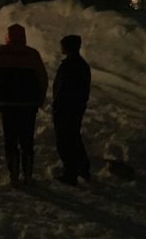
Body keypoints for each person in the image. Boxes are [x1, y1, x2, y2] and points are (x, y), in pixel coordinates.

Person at [0, 23, 48, 186]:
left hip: (7, 104)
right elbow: (42, 78)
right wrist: (40, 99)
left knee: (10, 139)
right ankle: (28, 174)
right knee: (27, 139)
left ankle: (13, 174)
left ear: (8, 36)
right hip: (28, 104)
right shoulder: (32, 54)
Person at [52, 35, 91, 186]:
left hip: (66, 108)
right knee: (74, 137)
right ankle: (83, 168)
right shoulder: (81, 65)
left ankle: (71, 172)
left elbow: (63, 89)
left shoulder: (70, 65)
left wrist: (58, 106)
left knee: (65, 140)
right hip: (76, 107)